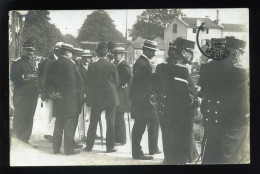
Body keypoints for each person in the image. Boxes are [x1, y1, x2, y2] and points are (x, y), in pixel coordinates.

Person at [198, 37, 249, 164]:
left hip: (212, 121)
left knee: (211, 157)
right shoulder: (239, 71)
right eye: (243, 54)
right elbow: (243, 102)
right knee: (230, 159)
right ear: (236, 53)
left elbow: (202, 87)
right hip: (233, 124)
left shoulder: (209, 66)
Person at [152, 37, 199, 164]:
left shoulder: (161, 67)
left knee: (168, 141)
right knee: (180, 149)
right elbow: (185, 97)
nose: (192, 56)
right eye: (191, 52)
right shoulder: (181, 69)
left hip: (164, 110)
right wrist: (197, 99)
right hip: (181, 115)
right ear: (183, 52)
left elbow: (155, 87)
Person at [85, 42, 119, 153]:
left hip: (96, 98)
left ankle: (89, 146)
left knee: (93, 122)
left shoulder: (91, 66)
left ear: (97, 53)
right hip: (110, 97)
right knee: (110, 122)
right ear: (107, 53)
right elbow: (116, 83)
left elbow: (88, 82)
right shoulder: (113, 66)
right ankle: (110, 147)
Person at [46, 43, 80, 155]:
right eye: (71, 52)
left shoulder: (54, 64)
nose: (72, 55)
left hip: (57, 99)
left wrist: (54, 93)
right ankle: (68, 150)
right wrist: (61, 92)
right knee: (69, 124)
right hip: (68, 99)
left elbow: (49, 80)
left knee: (58, 123)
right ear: (67, 53)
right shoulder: (69, 65)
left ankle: (55, 149)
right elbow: (70, 82)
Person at [130, 40, 161, 160]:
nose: (154, 53)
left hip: (141, 100)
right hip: (143, 101)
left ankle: (152, 148)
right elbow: (145, 84)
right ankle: (138, 152)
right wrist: (150, 97)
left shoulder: (142, 63)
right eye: (152, 50)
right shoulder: (143, 64)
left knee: (149, 122)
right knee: (141, 125)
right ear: (146, 50)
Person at [10, 39, 39, 145]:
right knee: (20, 116)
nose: (30, 53)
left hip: (32, 95)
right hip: (21, 95)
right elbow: (13, 77)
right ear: (23, 50)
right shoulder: (17, 62)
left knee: (29, 116)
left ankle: (25, 138)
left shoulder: (32, 62)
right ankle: (16, 139)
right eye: (28, 50)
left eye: (31, 51)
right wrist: (27, 77)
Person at [38, 41, 63, 142]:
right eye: (58, 50)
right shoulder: (49, 61)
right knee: (50, 112)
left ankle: (49, 132)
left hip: (55, 91)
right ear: (55, 50)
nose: (59, 52)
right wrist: (44, 92)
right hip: (49, 91)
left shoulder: (58, 60)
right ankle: (47, 133)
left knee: (54, 113)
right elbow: (44, 77)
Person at [113, 47, 132, 146]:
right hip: (120, 93)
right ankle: (118, 137)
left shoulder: (123, 64)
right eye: (115, 54)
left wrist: (121, 83)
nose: (116, 56)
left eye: (117, 54)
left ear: (122, 55)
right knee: (117, 115)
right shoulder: (119, 64)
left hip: (122, 94)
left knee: (119, 115)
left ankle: (121, 139)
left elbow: (129, 74)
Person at [71, 47, 85, 148]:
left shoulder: (75, 65)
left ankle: (71, 140)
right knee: (72, 120)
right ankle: (70, 141)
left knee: (74, 119)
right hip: (74, 97)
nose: (79, 58)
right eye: (78, 55)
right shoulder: (72, 65)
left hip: (76, 97)